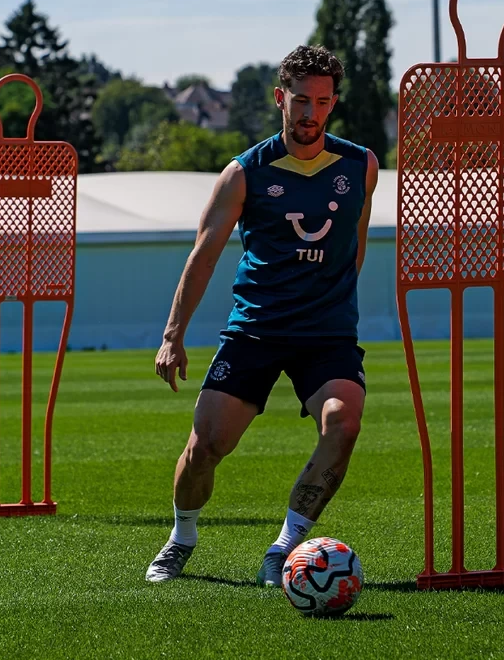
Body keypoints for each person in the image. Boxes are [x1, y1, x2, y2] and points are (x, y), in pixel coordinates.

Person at [145, 44, 379, 587]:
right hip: (255, 329)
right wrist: (172, 336)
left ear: (333, 104)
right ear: (281, 99)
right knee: (204, 448)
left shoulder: (360, 165)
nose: (310, 114)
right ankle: (182, 536)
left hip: (326, 334)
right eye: (301, 101)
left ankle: (286, 548)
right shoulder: (244, 172)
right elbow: (203, 255)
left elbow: (355, 242)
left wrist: (336, 299)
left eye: (322, 103)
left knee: (343, 422)